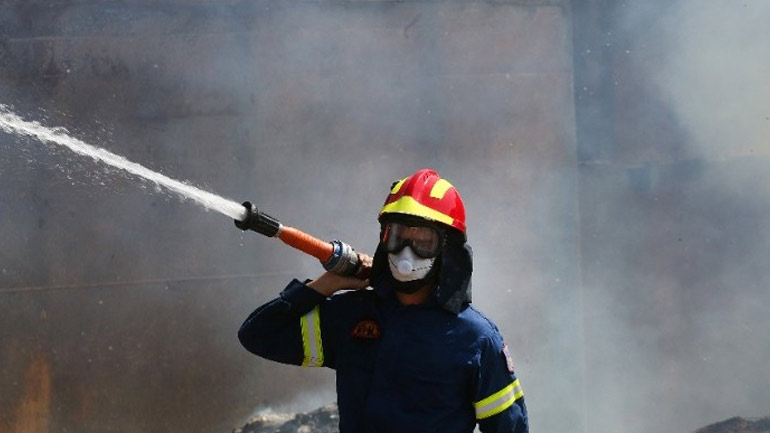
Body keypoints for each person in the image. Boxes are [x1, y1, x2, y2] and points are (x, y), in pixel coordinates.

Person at [238, 168, 528, 433]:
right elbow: (258, 335)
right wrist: (327, 284)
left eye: (423, 241)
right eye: (397, 236)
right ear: (383, 239)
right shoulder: (352, 317)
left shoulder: (476, 339)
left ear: (447, 249)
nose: (406, 252)